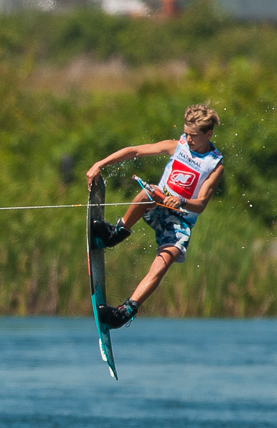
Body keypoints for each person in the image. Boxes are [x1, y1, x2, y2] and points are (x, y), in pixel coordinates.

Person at [84, 105, 226, 329]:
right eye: (186, 134)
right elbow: (135, 151)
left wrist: (181, 201)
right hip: (157, 204)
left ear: (208, 134)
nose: (187, 139)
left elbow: (201, 204)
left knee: (166, 258)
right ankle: (115, 233)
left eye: (193, 136)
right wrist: (99, 164)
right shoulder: (177, 146)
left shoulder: (214, 165)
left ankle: (125, 312)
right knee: (148, 191)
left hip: (180, 218)